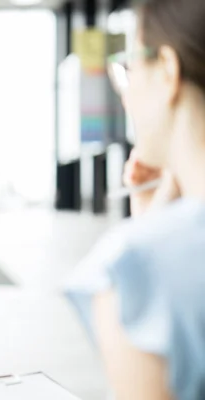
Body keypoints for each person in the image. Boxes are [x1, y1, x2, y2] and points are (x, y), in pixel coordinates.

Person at [65, 1, 205, 399]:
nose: (125, 97)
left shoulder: (136, 267)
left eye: (128, 68)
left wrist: (150, 234)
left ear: (167, 70)